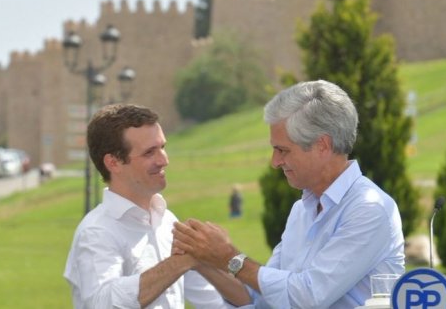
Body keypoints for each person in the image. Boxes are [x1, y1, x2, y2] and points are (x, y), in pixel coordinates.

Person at [173, 80, 405, 308]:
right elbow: (262, 298)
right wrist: (202, 259)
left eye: (282, 150)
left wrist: (229, 257)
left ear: (322, 145)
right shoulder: (301, 210)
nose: (275, 162)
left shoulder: (369, 209)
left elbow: (306, 297)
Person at [63, 104, 250, 309]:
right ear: (113, 163)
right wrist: (180, 262)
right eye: (149, 152)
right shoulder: (96, 232)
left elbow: (218, 303)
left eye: (162, 147)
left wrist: (212, 258)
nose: (164, 160)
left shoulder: (167, 220)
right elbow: (102, 303)